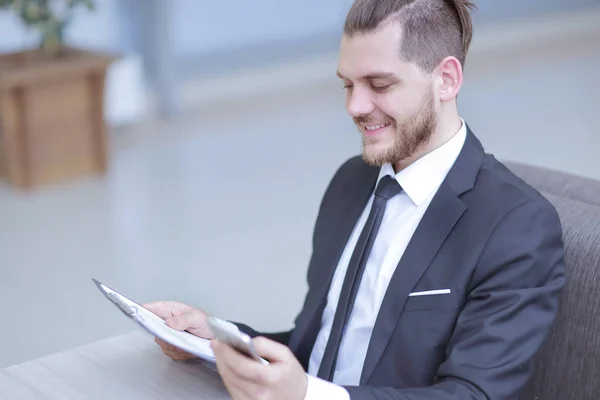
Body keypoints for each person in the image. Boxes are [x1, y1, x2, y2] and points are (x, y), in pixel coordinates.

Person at [144, 0, 566, 399]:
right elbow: (319, 349)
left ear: (447, 79)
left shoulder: (517, 226)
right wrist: (219, 339)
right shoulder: (351, 182)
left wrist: (307, 394)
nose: (355, 106)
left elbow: (472, 395)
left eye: (379, 85)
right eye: (348, 84)